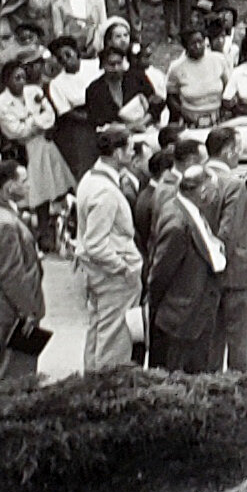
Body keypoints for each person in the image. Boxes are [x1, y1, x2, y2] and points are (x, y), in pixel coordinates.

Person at [148, 157, 227, 372]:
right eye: (214, 190)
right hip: (181, 322)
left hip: (192, 318)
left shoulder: (189, 211)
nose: (215, 196)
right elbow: (160, 274)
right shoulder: (177, 224)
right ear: (203, 192)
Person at [73, 129, 142, 371]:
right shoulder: (105, 191)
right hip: (113, 278)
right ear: (117, 152)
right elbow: (95, 244)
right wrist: (123, 269)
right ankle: (108, 394)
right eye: (130, 148)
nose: (133, 153)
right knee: (114, 341)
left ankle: (91, 389)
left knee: (98, 334)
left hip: (99, 274)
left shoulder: (92, 179)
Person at [0, 158, 47, 390]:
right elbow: (12, 274)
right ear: (9, 187)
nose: (29, 186)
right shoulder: (5, 223)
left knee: (17, 366)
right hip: (16, 308)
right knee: (16, 372)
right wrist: (27, 310)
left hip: (13, 304)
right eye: (24, 181)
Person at [203, 126, 247, 374]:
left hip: (207, 274)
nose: (240, 154)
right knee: (242, 345)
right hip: (239, 272)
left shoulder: (196, 180)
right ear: (228, 152)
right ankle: (244, 391)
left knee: (212, 345)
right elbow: (229, 232)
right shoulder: (234, 185)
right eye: (238, 149)